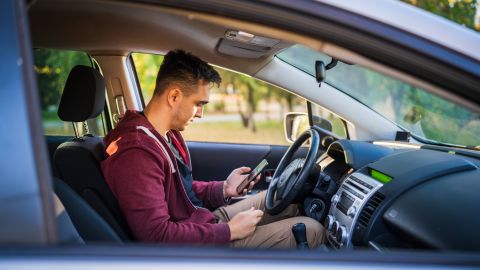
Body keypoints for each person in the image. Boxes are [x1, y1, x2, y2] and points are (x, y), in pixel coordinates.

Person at [101, 49, 324, 248]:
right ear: (174, 96)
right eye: (199, 103)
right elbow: (156, 235)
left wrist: (223, 189)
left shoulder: (165, 134)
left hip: (201, 222)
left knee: (285, 200)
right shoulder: (137, 153)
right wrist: (229, 231)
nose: (201, 113)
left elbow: (179, 191)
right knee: (312, 230)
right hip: (198, 247)